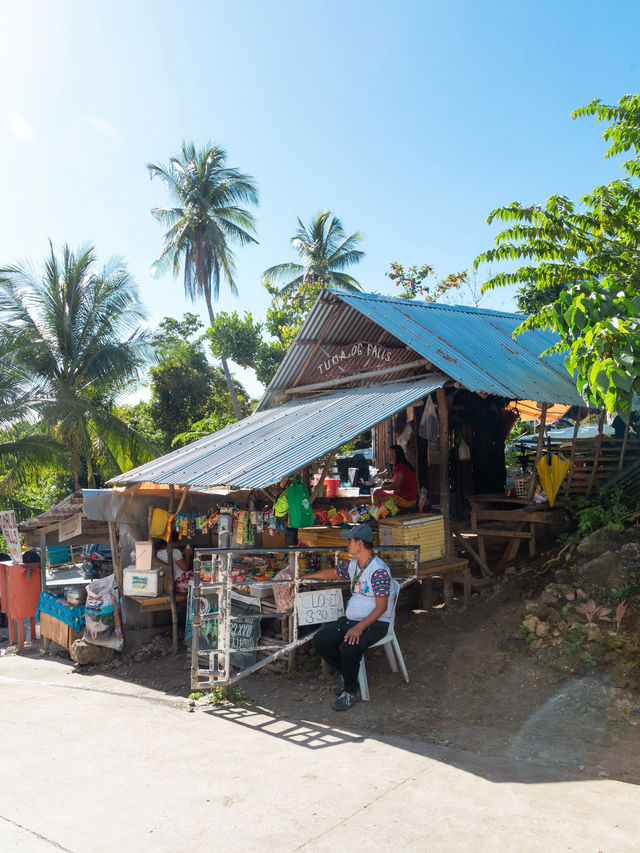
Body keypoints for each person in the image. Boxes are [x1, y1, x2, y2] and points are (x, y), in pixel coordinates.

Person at [307, 524, 393, 711]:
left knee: (348, 647)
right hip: (352, 621)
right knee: (321, 640)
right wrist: (306, 577)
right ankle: (350, 677)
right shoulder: (354, 564)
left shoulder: (378, 570)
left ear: (360, 543)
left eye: (350, 540)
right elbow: (333, 573)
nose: (347, 544)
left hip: (376, 623)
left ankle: (349, 691)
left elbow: (381, 607)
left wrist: (359, 627)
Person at [372, 444, 418, 511]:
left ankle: (379, 515)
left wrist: (380, 488)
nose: (390, 457)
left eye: (392, 455)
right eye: (389, 455)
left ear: (398, 455)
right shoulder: (405, 465)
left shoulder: (400, 466)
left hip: (405, 500)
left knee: (376, 494)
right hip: (412, 498)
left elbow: (395, 485)